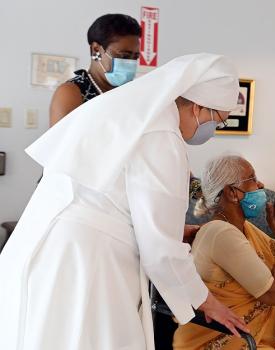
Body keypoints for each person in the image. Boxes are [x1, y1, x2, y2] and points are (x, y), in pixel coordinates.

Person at [0, 54, 249, 350]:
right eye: (217, 120)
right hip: (87, 261)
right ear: (198, 107)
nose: (214, 130)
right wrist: (206, 301)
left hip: (45, 244)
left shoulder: (124, 113)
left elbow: (110, 202)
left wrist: (170, 230)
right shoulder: (163, 137)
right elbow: (161, 251)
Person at [173, 155, 275, 350]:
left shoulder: (245, 228)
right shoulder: (220, 232)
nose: (260, 184)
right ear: (232, 193)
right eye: (252, 179)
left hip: (261, 337)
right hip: (229, 340)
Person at [49, 13, 141, 126]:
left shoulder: (131, 92)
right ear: (96, 50)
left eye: (135, 57)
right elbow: (61, 142)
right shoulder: (71, 92)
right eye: (124, 56)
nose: (130, 63)